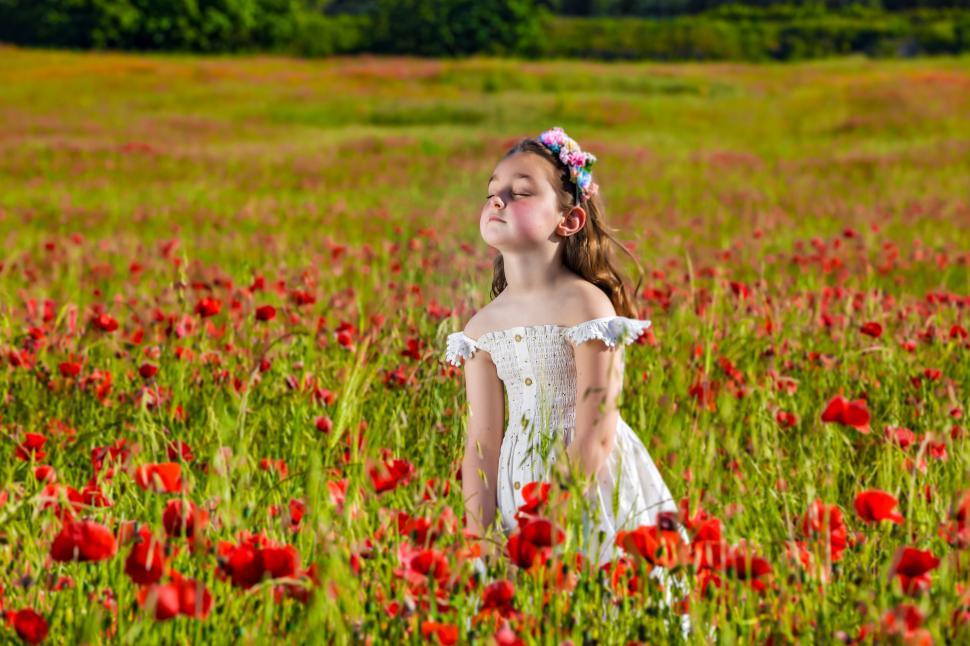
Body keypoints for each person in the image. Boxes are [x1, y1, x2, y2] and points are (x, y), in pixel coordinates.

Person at [443, 127, 692, 636]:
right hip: (517, 481)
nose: (499, 199)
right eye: (492, 191)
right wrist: (481, 535)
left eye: (521, 191)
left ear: (569, 218)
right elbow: (482, 440)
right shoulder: (481, 326)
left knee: (600, 610)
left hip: (587, 479)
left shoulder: (585, 304)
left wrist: (552, 511)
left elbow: (597, 427)